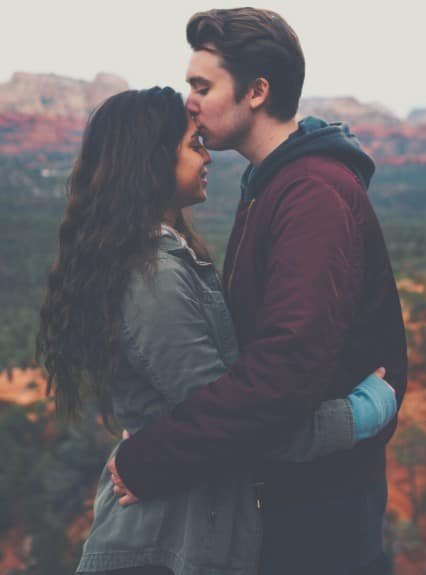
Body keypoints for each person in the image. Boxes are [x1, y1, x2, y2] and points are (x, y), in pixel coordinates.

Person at [36, 86, 398, 575]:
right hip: (161, 547)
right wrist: (358, 415)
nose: (207, 156)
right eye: (194, 145)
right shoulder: (154, 279)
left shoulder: (164, 259)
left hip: (179, 532)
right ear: (153, 161)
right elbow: (237, 425)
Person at [110, 7, 408, 575]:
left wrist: (151, 456)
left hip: (321, 515)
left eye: (202, 85)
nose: (189, 101)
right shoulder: (272, 186)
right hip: (288, 496)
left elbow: (282, 373)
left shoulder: (312, 192)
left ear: (257, 91)